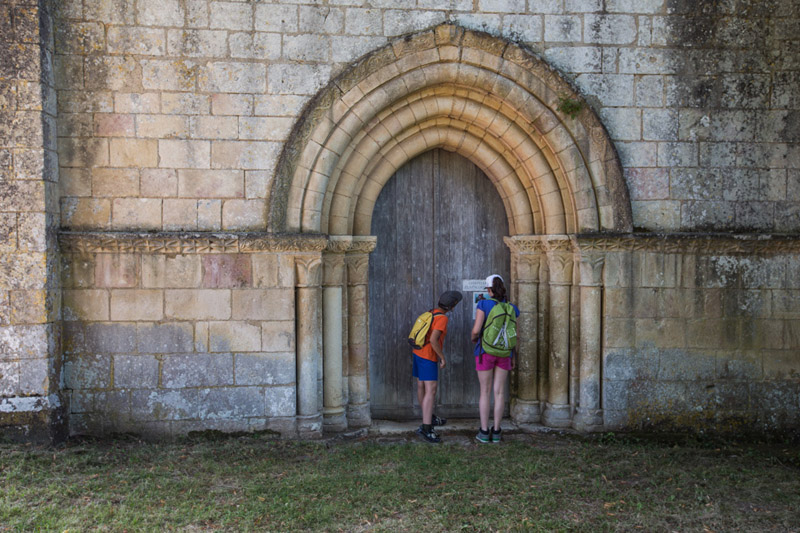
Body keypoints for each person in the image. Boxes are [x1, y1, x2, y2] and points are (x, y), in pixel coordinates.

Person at [471, 274, 519, 443]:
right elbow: (513, 333)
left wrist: (473, 338)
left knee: (485, 391)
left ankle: (484, 432)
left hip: (486, 351)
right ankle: (497, 431)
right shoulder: (511, 307)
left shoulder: (483, 304)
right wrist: (512, 354)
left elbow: (477, 330)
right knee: (499, 392)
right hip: (505, 353)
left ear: (489, 290)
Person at [413, 290, 463, 443]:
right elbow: (434, 340)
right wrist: (442, 357)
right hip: (428, 356)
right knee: (431, 390)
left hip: (418, 352)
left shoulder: (432, 312)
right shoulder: (442, 318)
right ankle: (426, 428)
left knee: (421, 386)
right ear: (452, 305)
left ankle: (429, 417)